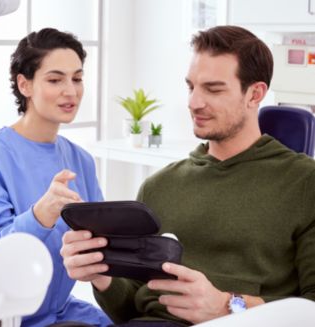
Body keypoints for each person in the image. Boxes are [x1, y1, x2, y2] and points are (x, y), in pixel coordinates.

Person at [60, 25, 315, 326]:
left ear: (255, 93)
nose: (194, 102)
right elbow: (132, 306)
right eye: (191, 87)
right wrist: (102, 277)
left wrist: (227, 306)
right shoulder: (159, 186)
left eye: (213, 89)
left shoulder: (303, 183)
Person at [0, 28, 111, 327]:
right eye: (55, 80)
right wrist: (41, 215)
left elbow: (104, 243)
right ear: (24, 85)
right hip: (1, 316)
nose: (71, 91)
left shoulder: (80, 159)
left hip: (60, 311)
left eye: (77, 78)